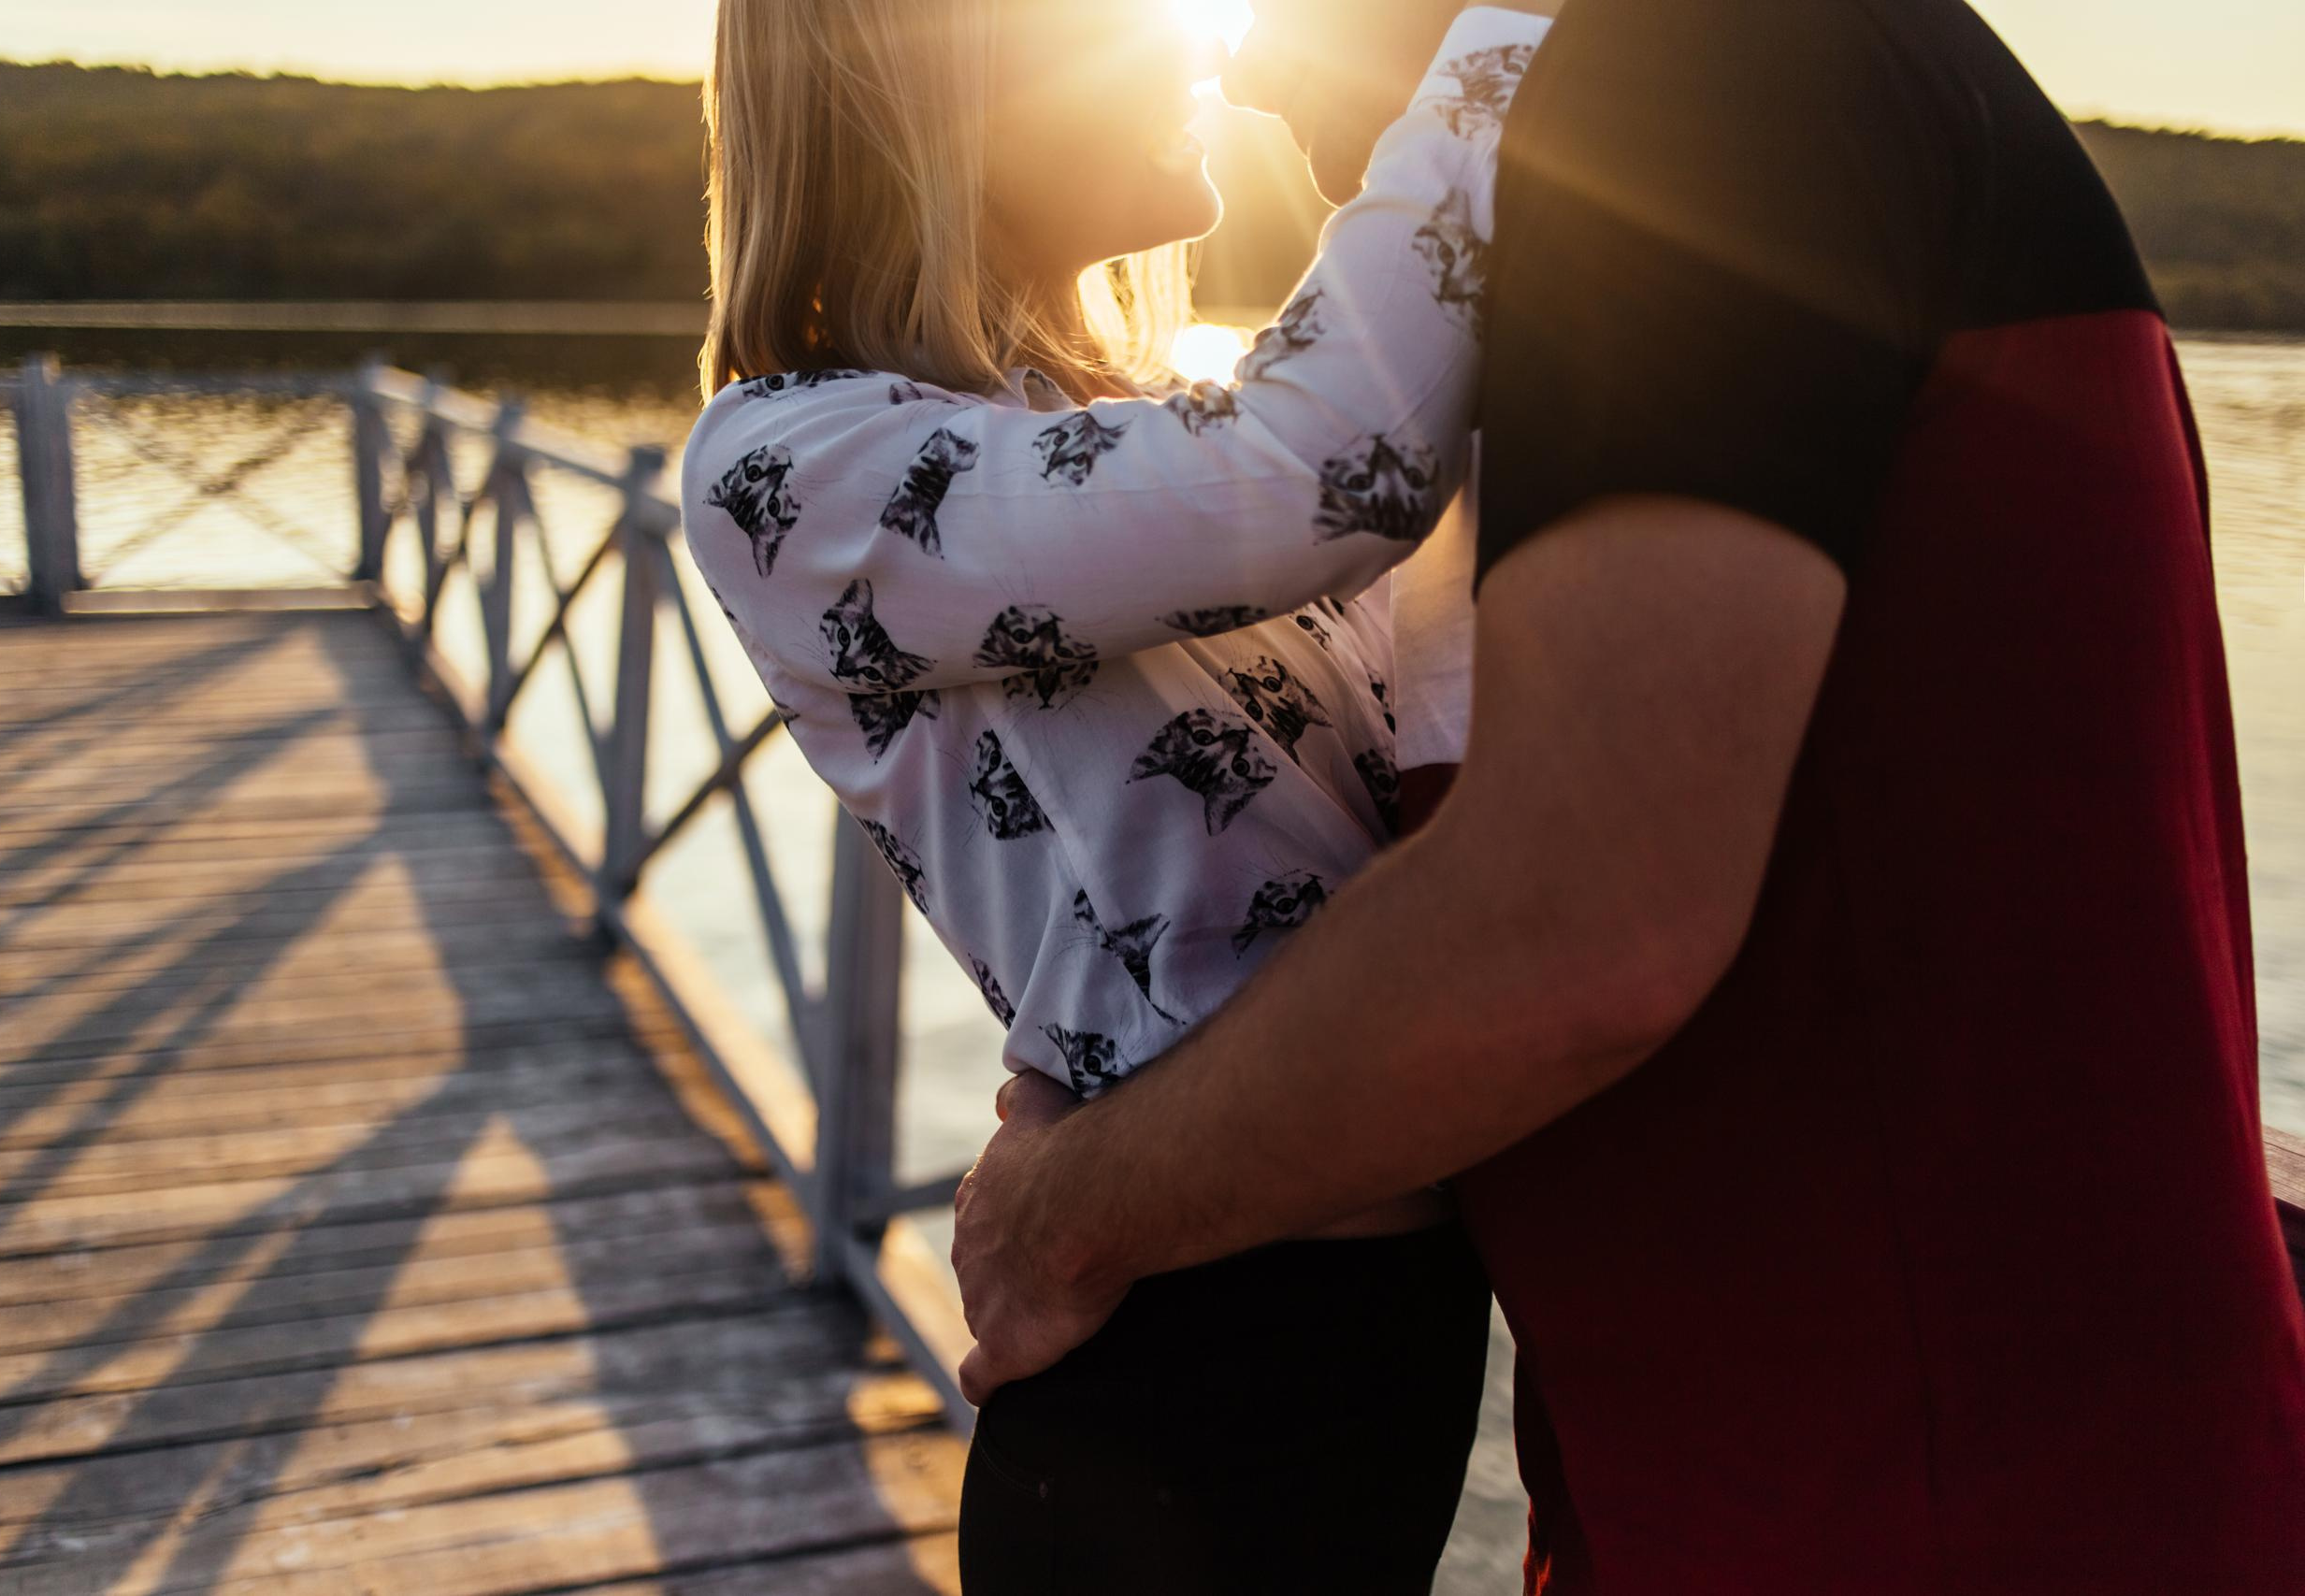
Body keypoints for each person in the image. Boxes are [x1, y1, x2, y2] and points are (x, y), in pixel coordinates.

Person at [952, 0, 2305, 1591]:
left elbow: (1581, 924)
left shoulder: (1714, 65)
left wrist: (1061, 1221)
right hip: (1763, 1502)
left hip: (1956, 1525)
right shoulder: (1635, 185)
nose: (1241, 64)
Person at [682, 0, 1561, 1588]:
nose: (1193, 51)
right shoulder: (792, 467)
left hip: (1372, 1334)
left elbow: (1426, 614)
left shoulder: (1125, 419)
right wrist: (1508, 37)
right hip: (1187, 1366)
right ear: (932, 84)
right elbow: (1336, 467)